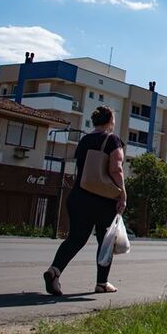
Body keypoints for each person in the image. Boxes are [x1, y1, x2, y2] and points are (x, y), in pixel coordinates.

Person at [44, 105, 126, 295]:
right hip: (103, 200)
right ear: (110, 121)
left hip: (78, 196)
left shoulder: (84, 140)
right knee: (105, 241)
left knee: (76, 238)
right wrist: (122, 193)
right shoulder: (113, 140)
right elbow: (116, 169)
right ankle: (102, 283)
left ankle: (54, 271)